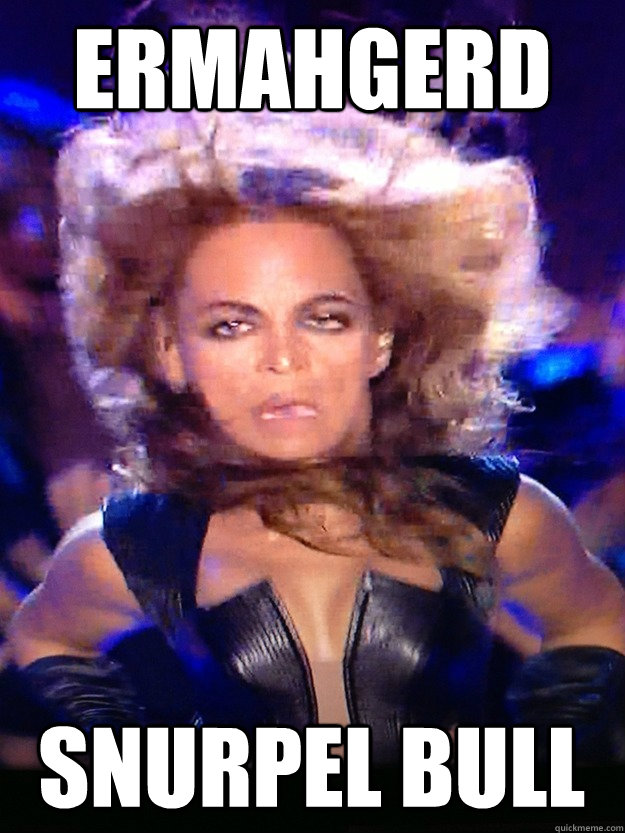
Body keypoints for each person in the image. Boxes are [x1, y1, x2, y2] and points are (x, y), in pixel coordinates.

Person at [7, 108, 625, 766]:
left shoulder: (497, 515)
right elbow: (45, 642)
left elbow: (595, 625)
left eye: (324, 318)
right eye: (231, 326)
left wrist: (539, 750)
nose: (283, 359)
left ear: (380, 337)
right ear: (169, 350)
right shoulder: (127, 548)